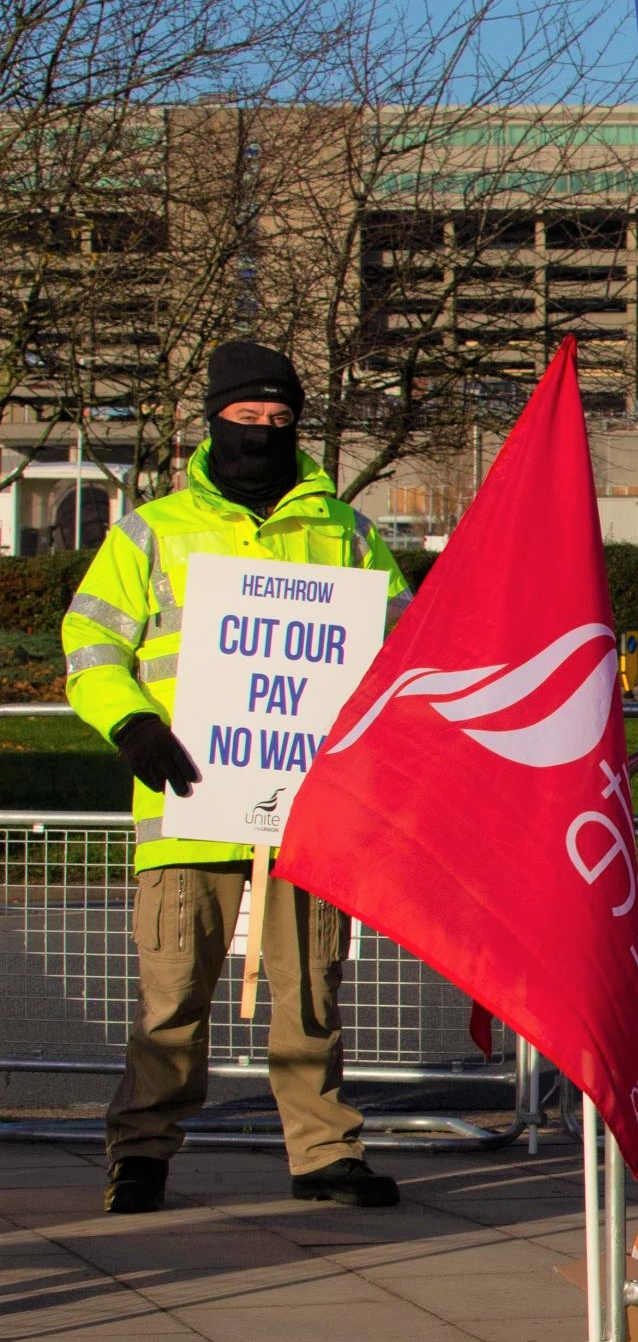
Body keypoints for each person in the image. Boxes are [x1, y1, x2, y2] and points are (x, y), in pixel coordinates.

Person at [62, 341, 407, 1214]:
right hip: (184, 805)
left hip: (310, 813)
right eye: (247, 418)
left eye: (280, 420)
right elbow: (90, 644)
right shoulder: (153, 528)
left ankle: (324, 1150)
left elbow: (402, 654)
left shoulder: (348, 532)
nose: (262, 432)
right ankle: (140, 1150)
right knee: (171, 999)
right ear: (212, 422)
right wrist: (131, 722)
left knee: (312, 995)